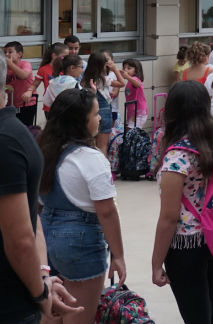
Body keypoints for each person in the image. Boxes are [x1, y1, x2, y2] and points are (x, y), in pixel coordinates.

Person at [1, 58, 84, 324]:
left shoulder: (6, 141)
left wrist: (41, 292)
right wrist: (43, 278)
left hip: (9, 303)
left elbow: (22, 237)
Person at [152, 80, 213, 324]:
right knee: (212, 314)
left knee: (197, 317)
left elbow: (169, 217)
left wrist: (156, 262)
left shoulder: (177, 157)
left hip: (185, 245)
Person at [38, 89, 126, 324]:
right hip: (81, 241)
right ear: (81, 121)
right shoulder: (91, 157)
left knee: (51, 313)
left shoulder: (44, 151)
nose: (100, 119)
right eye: (96, 114)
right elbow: (107, 211)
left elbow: (36, 204)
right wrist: (118, 255)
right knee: (79, 316)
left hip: (45, 237)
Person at [81, 51, 125, 159]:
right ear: (103, 65)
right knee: (102, 145)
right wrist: (114, 69)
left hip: (90, 112)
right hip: (104, 112)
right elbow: (122, 83)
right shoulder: (105, 79)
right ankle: (105, 170)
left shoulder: (85, 79)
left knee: (91, 145)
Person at [5, 42, 36, 128]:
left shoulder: (25, 64)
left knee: (26, 129)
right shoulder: (4, 68)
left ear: (19, 54)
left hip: (27, 104)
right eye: (5, 52)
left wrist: (10, 64)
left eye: (10, 52)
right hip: (11, 104)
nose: (7, 54)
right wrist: (5, 88)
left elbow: (24, 75)